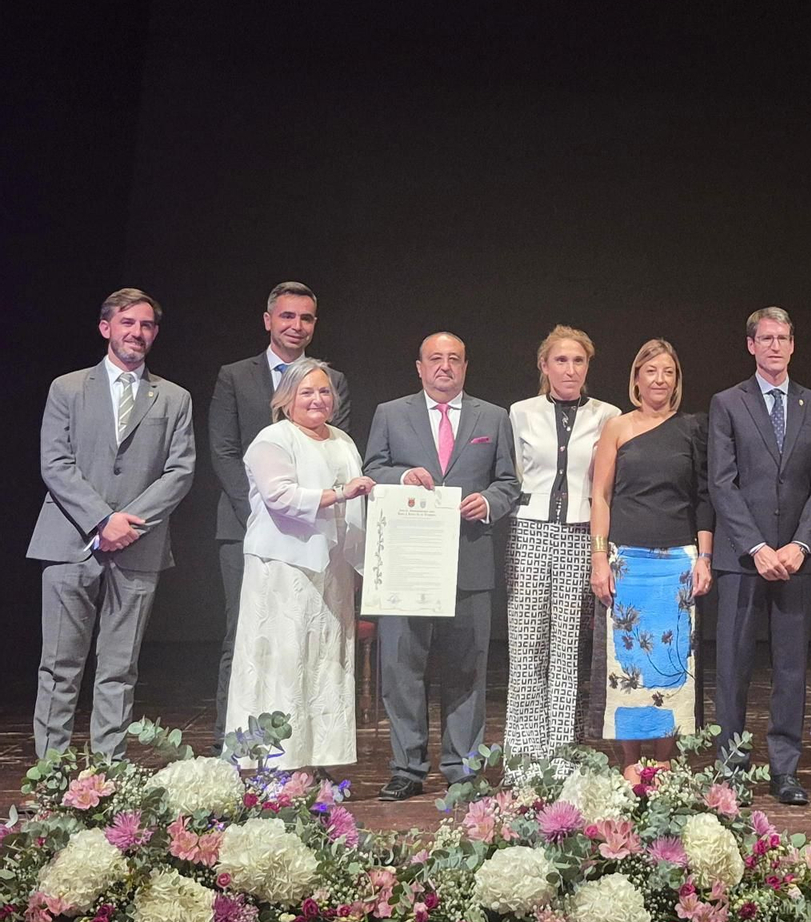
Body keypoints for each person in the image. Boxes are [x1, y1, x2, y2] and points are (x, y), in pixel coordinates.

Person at [31, 289, 196, 757]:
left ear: (155, 334)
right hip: (70, 541)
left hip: (138, 547)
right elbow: (55, 463)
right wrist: (102, 520)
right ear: (106, 328)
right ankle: (53, 773)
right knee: (60, 666)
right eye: (127, 323)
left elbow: (180, 471)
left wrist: (130, 524)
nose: (136, 333)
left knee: (119, 667)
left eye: (145, 326)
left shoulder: (174, 397)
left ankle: (109, 773)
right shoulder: (67, 388)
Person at [365, 332, 520, 799]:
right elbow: (372, 470)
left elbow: (509, 482)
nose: (445, 367)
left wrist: (488, 501)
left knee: (466, 670)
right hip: (407, 566)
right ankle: (407, 768)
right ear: (419, 367)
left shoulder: (492, 416)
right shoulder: (390, 413)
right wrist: (401, 477)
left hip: (468, 562)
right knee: (401, 670)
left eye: (454, 359)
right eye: (436, 359)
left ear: (466, 367)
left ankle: (462, 767)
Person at [209, 281, 350, 752]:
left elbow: (333, 456)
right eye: (287, 316)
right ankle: (233, 750)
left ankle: (308, 750)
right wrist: (263, 507)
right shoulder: (235, 375)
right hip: (252, 527)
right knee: (249, 641)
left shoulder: (332, 381)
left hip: (319, 541)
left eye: (306, 318)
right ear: (269, 320)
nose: (296, 325)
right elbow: (225, 451)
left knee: (313, 647)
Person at [708, 306, 811, 805]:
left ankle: (785, 769)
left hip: (796, 560)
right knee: (735, 664)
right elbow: (722, 481)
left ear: (792, 344)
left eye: (784, 337)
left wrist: (801, 546)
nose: (776, 346)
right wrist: (758, 547)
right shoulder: (727, 403)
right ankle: (732, 768)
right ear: (751, 345)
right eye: (767, 338)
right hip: (743, 558)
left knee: (789, 667)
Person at [227, 358, 372, 768]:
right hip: (284, 570)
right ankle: (271, 761)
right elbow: (281, 497)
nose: (317, 399)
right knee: (284, 662)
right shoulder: (272, 439)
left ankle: (319, 759)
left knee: (326, 664)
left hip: (333, 571)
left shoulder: (343, 440)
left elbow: (356, 506)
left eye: (324, 391)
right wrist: (341, 493)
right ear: (286, 399)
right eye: (306, 391)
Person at [587, 339, 713, 780]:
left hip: (677, 563)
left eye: (669, 372)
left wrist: (705, 557)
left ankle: (662, 760)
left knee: (672, 666)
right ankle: (627, 763)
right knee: (629, 669)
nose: (660, 379)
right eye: (652, 371)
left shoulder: (693, 429)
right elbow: (600, 497)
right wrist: (598, 558)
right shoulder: (616, 428)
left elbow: (703, 499)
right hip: (628, 561)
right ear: (636, 377)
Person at [507, 325, 620, 766]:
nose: (569, 369)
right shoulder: (520, 413)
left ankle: (561, 752)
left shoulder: (607, 415)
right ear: (544, 365)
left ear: (587, 366)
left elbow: (606, 485)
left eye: (578, 361)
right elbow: (512, 473)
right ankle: (522, 753)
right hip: (530, 531)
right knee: (527, 639)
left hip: (580, 534)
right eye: (560, 360)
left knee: (570, 644)